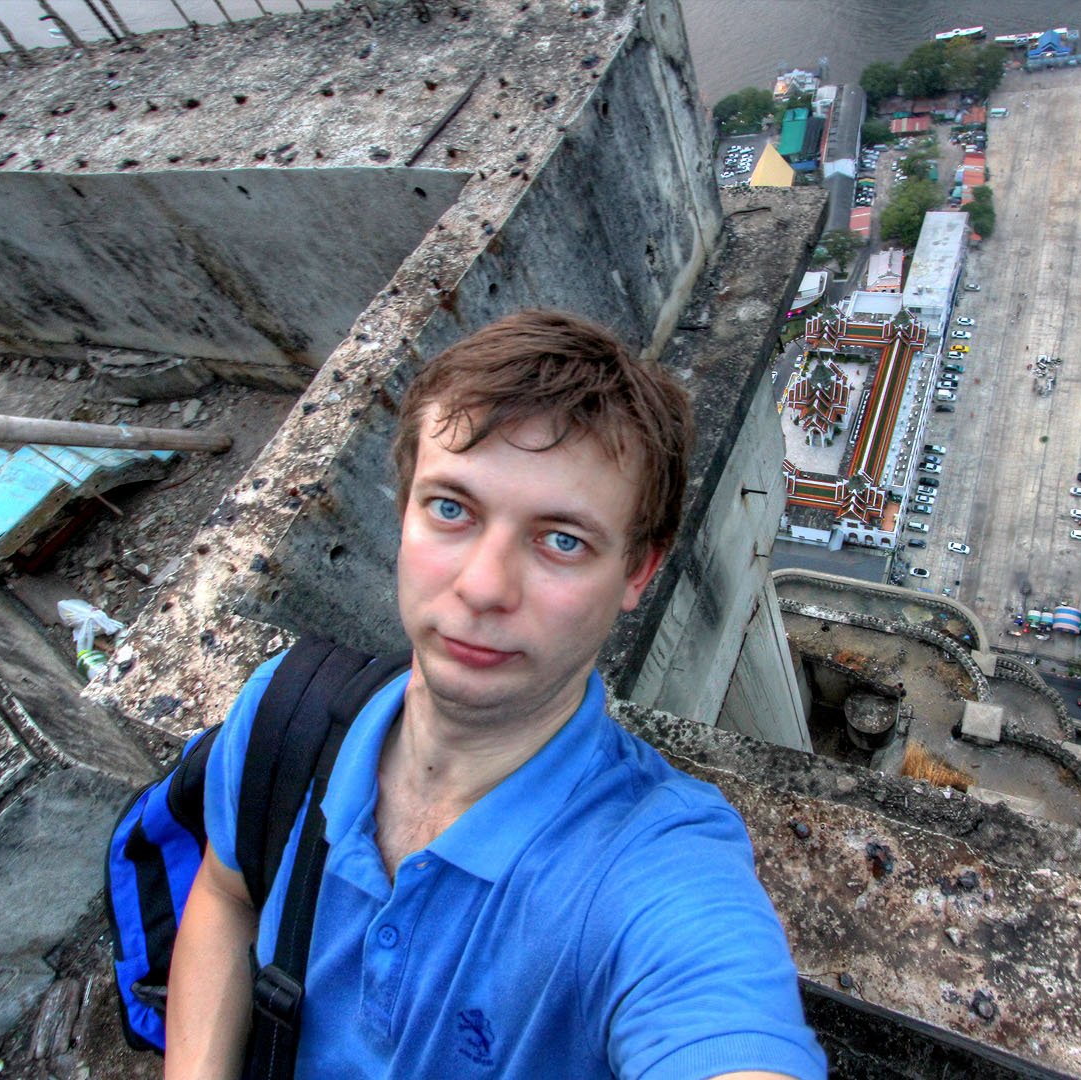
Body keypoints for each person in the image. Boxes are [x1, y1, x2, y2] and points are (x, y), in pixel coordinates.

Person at [166, 310, 826, 1079]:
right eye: (451, 508)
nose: (482, 586)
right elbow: (227, 892)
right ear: (404, 507)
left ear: (639, 573)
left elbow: (717, 1015)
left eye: (561, 540)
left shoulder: (649, 863)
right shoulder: (283, 711)